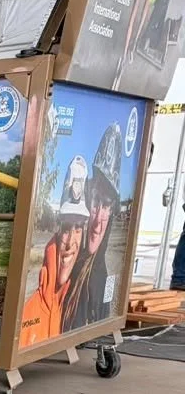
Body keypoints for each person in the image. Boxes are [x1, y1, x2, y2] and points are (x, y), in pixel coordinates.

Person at [20, 158, 89, 347]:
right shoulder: (28, 313)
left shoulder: (67, 304)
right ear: (57, 232)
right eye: (66, 229)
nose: (70, 243)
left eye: (78, 229)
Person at [65, 127, 122, 331]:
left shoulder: (103, 281)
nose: (98, 221)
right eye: (96, 202)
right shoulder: (66, 269)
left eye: (106, 207)